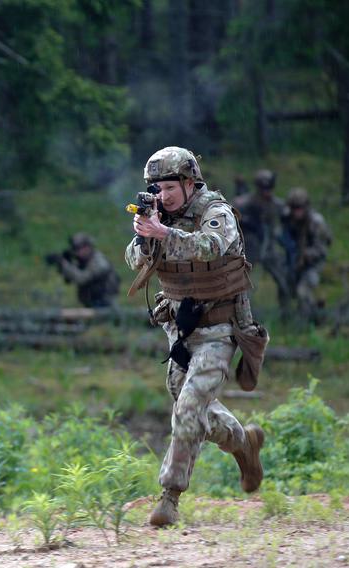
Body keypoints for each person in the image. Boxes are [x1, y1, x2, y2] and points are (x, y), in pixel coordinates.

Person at [126, 147, 267, 528]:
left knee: (188, 409)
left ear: (190, 183)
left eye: (169, 187)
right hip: (181, 332)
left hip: (221, 330)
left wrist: (164, 232)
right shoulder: (160, 215)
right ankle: (243, 444)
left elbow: (212, 246)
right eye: (157, 188)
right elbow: (134, 260)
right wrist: (144, 236)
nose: (163, 195)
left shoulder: (215, 212)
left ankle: (169, 498)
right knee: (191, 408)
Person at [233, 169, 291, 315]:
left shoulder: (277, 205)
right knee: (242, 283)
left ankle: (286, 311)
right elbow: (230, 218)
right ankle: (242, 313)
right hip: (249, 249)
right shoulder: (244, 203)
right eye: (263, 189)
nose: (267, 192)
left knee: (283, 280)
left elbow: (290, 219)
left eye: (269, 188)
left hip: (270, 249)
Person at [282, 187, 331, 321]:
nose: (297, 211)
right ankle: (286, 316)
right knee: (285, 287)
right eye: (294, 208)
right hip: (293, 260)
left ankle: (307, 320)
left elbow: (321, 249)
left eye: (300, 208)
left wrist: (305, 255)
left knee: (303, 291)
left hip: (313, 263)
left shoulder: (316, 222)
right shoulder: (287, 218)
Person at [46, 233, 120, 308]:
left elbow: (81, 278)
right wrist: (64, 265)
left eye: (79, 248)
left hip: (105, 305)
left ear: (88, 247)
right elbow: (68, 281)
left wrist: (63, 263)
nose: (76, 252)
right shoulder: (84, 262)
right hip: (91, 304)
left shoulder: (99, 262)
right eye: (75, 249)